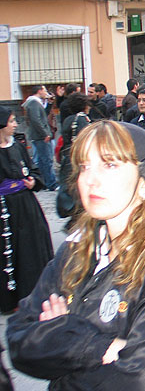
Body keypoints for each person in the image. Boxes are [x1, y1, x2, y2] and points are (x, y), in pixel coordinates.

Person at [6, 120, 145, 390]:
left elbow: (144, 379)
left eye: (110, 165)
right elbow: (19, 338)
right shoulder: (77, 247)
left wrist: (60, 336)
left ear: (144, 182)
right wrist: (101, 347)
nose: (91, 180)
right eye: (84, 166)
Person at [0, 106, 54, 314]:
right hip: (5, 209)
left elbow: (32, 169)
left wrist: (32, 181)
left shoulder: (18, 146)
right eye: (12, 121)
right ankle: (8, 299)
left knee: (30, 250)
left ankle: (30, 295)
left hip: (26, 206)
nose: (15, 125)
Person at [57, 93, 92, 221]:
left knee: (69, 188)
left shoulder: (68, 119)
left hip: (67, 157)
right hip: (78, 158)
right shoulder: (82, 119)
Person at [22, 85, 58, 191]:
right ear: (39, 91)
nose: (46, 92)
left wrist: (49, 103)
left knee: (44, 159)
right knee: (46, 160)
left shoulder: (37, 102)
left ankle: (46, 182)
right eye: (44, 90)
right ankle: (50, 183)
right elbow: (36, 120)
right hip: (40, 136)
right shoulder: (33, 102)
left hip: (40, 135)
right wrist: (44, 134)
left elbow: (43, 116)